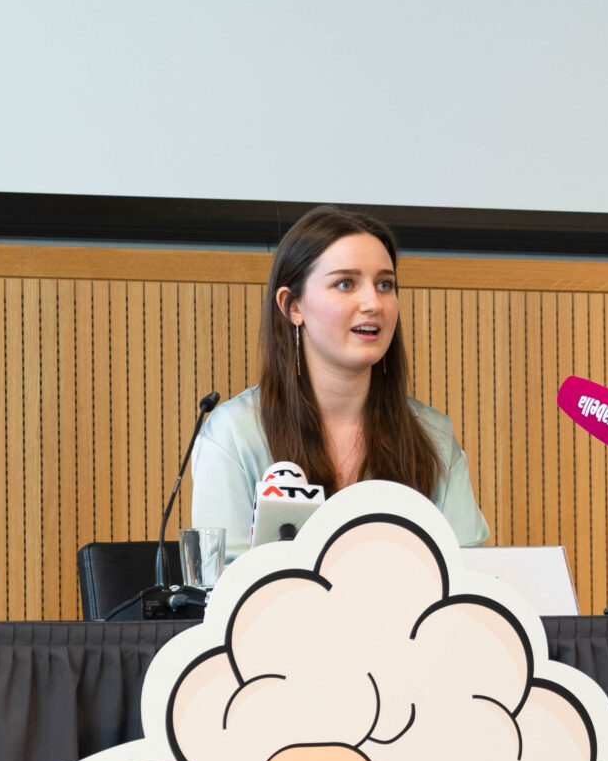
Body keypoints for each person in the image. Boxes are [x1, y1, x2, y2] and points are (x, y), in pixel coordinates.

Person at [191, 205, 489, 555]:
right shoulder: (235, 434)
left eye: (385, 284)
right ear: (292, 306)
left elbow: (470, 571)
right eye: (345, 284)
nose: (373, 303)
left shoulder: (433, 435)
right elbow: (223, 578)